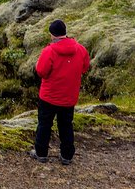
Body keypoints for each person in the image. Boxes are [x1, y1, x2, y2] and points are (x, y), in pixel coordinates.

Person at [30, 19, 90, 165]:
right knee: (66, 125)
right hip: (69, 97)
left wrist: (38, 64)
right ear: (65, 33)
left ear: (52, 35)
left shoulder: (49, 50)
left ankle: (41, 153)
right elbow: (85, 67)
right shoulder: (81, 49)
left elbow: (41, 71)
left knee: (44, 124)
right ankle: (67, 156)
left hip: (49, 96)